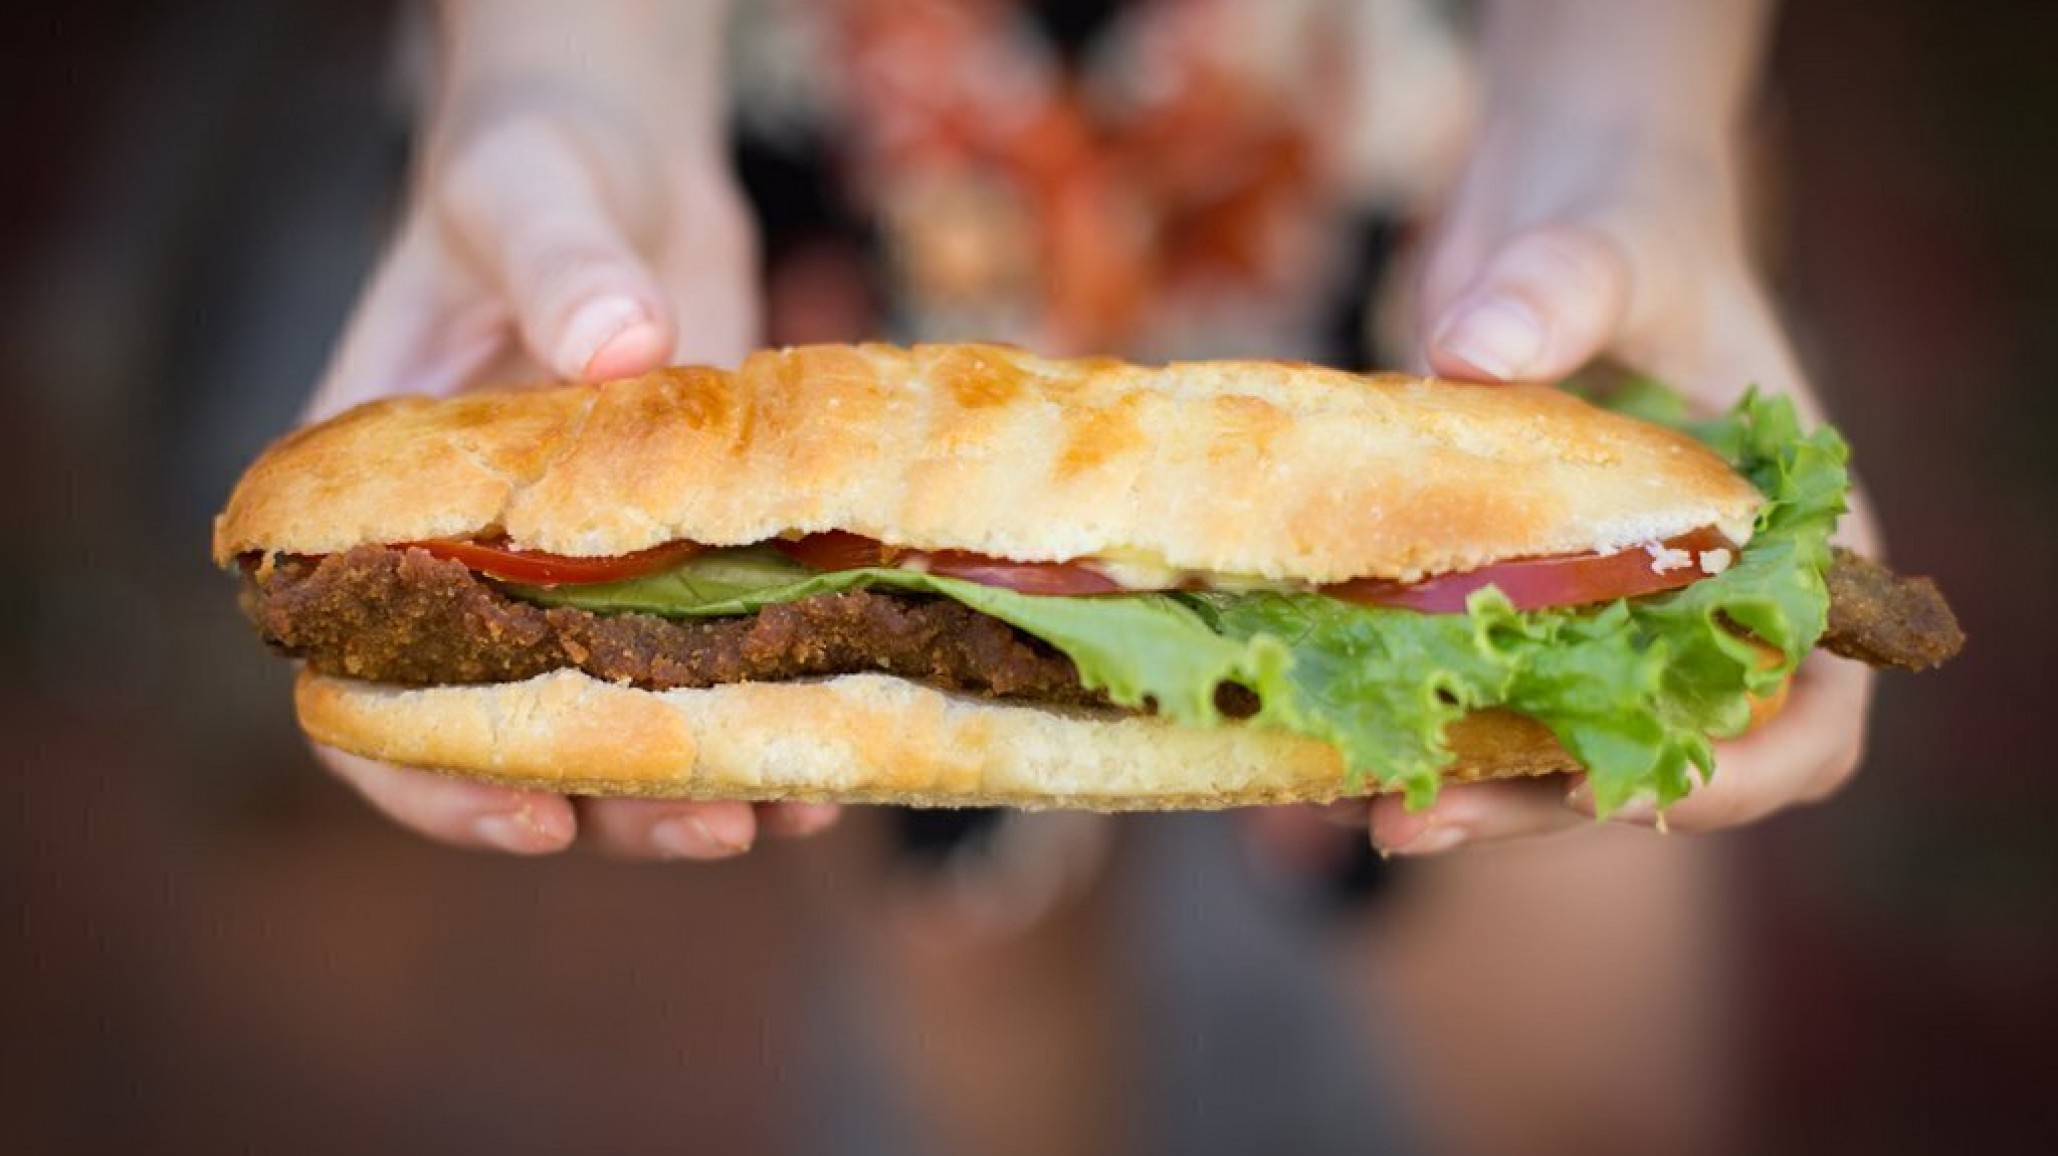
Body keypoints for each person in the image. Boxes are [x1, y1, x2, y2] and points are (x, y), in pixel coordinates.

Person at [306, 0, 1875, 864]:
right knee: (974, 952)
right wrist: (559, 66)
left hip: (1362, 109)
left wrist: (1623, 117)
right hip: (837, 124)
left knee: (1574, 1057)